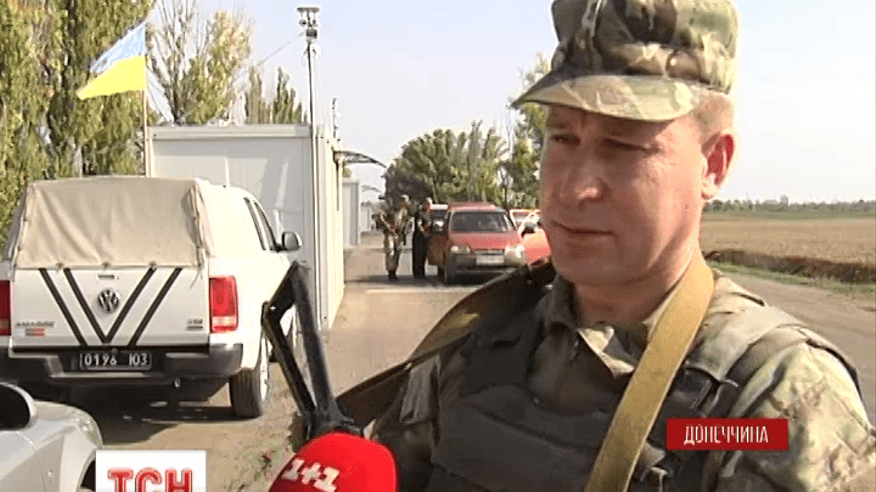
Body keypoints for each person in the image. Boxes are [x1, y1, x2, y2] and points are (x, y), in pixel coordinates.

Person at [355, 1, 876, 491]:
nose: (574, 187)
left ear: (713, 164)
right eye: (562, 138)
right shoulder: (477, 344)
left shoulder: (775, 401)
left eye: (622, 145)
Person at [378, 196, 411, 281]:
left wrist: (404, 230)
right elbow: (381, 216)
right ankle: (390, 272)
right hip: (390, 234)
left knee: (397, 253)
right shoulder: (391, 209)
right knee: (390, 252)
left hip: (399, 234)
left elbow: (405, 222)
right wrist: (387, 225)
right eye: (405, 202)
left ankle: (394, 271)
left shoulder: (404, 211)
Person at [412, 198, 433, 279]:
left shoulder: (431, 213)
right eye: (428, 204)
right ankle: (417, 273)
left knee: (424, 255)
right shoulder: (420, 213)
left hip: (426, 237)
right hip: (419, 237)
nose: (429, 206)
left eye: (430, 204)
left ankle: (422, 272)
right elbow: (419, 225)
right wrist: (424, 233)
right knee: (418, 255)